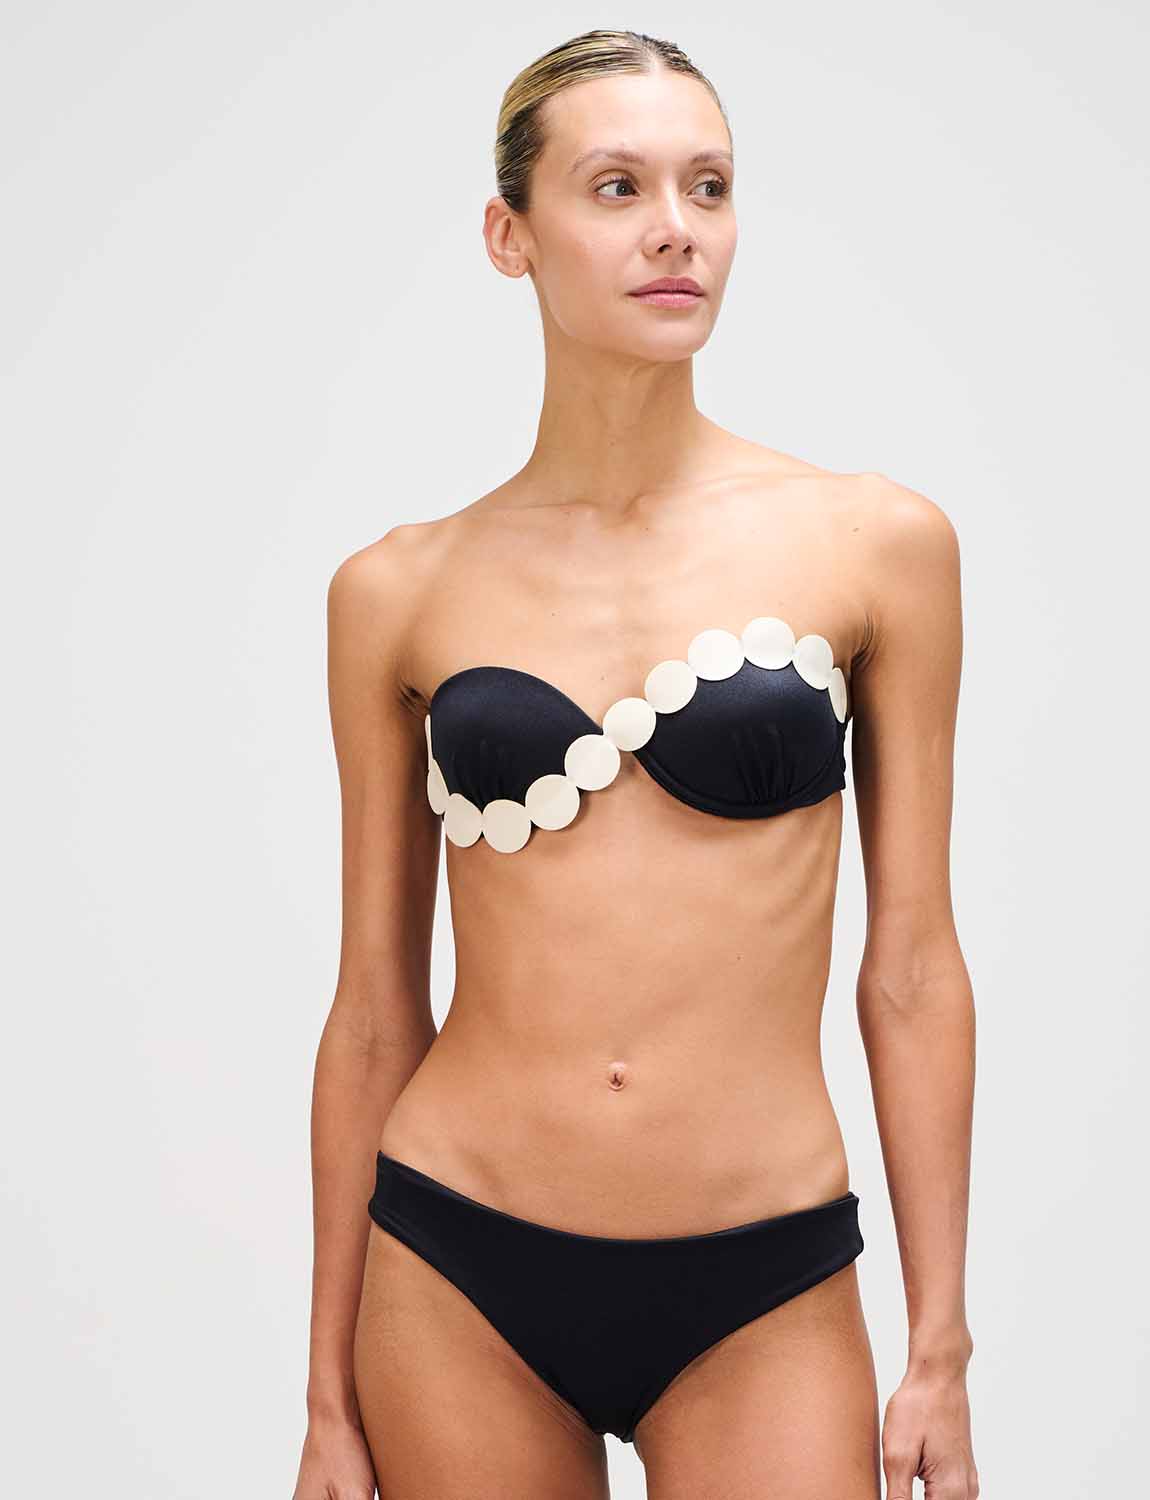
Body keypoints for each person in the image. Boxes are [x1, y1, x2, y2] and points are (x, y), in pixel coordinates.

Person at [292, 27, 979, 1500]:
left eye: (707, 186)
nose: (677, 228)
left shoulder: (876, 545)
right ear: (510, 235)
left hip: (763, 1272)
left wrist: (939, 1344)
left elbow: (914, 965)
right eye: (617, 187)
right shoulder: (396, 590)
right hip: (456, 1260)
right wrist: (324, 1398)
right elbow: (373, 1008)